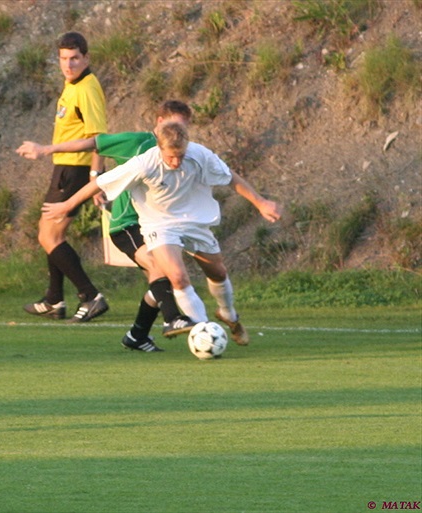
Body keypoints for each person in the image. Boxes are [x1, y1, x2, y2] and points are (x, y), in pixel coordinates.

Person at [37, 121, 282, 349]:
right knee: (177, 276)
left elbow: (230, 178)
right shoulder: (144, 162)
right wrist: (67, 205)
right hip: (159, 224)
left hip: (195, 220)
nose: (176, 162)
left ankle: (227, 313)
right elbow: (101, 183)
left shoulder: (199, 155)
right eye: (171, 156)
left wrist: (260, 203)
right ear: (160, 148)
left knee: (218, 272)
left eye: (180, 156)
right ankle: (204, 330)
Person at [18, 101, 199, 351]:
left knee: (161, 281)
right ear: (159, 123)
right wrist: (47, 149)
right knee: (159, 269)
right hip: (128, 224)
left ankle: (137, 336)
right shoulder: (138, 144)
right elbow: (95, 143)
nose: (178, 132)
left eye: (183, 127)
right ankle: (172, 319)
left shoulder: (184, 153)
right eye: (174, 125)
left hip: (157, 224)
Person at [23, 31, 110, 323]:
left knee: (49, 235)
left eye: (74, 58)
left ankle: (90, 295)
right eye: (63, 58)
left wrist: (96, 175)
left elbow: (99, 137)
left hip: (76, 170)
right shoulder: (72, 84)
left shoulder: (86, 86)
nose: (68, 64)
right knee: (49, 233)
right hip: (66, 168)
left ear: (86, 58)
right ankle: (54, 299)